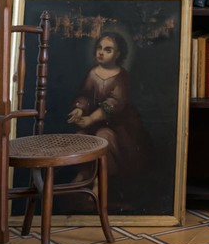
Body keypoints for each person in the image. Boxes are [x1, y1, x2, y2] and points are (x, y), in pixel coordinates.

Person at [65, 30, 151, 182]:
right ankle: (86, 173)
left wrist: (91, 118)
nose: (101, 53)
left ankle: (102, 180)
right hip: (93, 123)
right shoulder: (92, 73)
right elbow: (85, 95)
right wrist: (79, 109)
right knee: (80, 137)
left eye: (108, 49)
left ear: (118, 54)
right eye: (99, 48)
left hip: (119, 126)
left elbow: (114, 103)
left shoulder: (122, 76)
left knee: (104, 136)